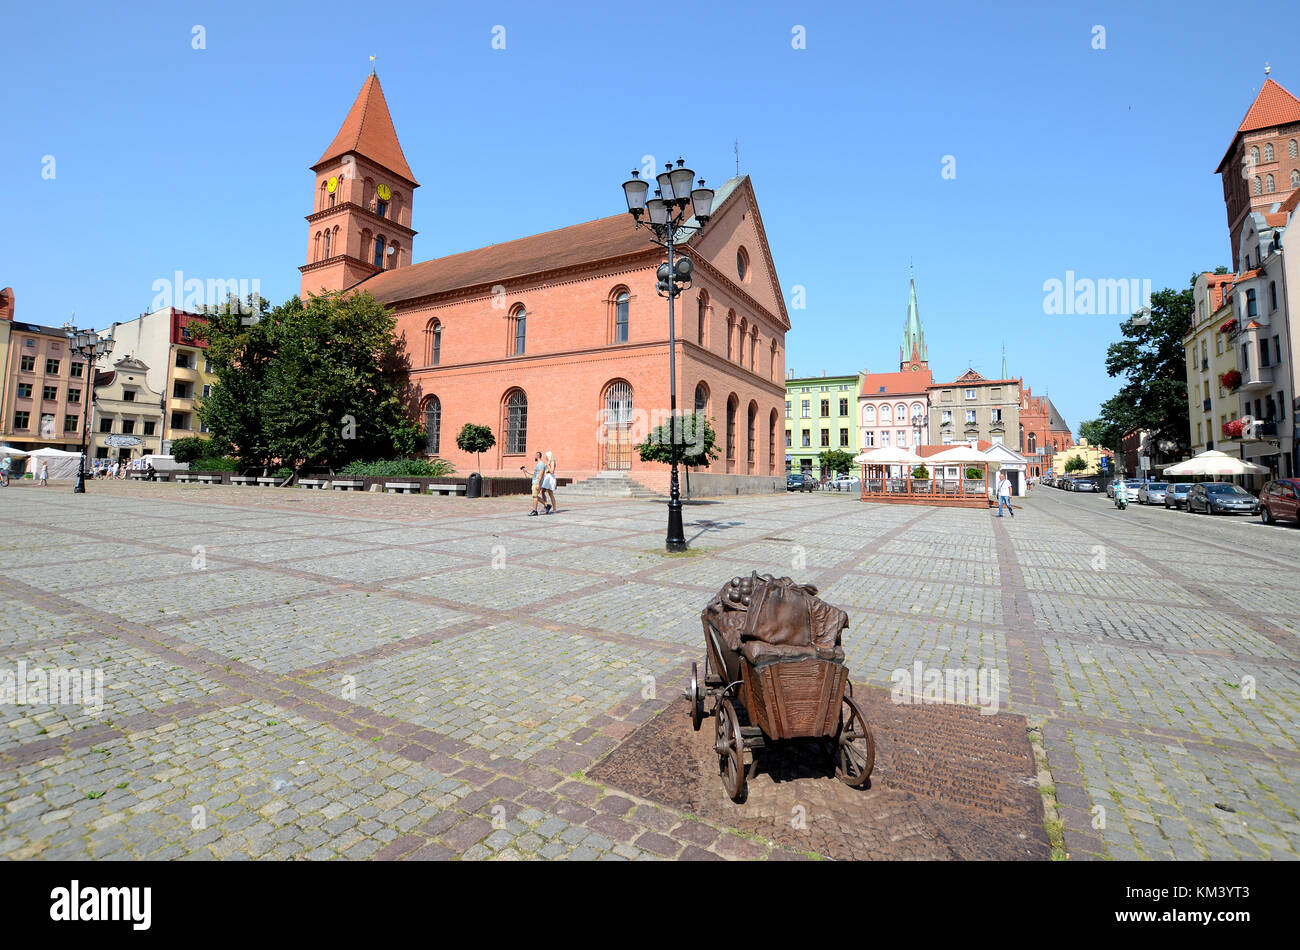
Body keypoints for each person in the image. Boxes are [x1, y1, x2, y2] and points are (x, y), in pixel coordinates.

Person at [527, 451, 547, 516]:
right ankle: (546, 505)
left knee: (535, 496)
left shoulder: (541, 464)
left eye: (535, 455)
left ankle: (534, 511)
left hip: (536, 482)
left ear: (537, 456)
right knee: (535, 496)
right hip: (535, 482)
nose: (534, 457)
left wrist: (538, 483)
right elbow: (535, 473)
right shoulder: (539, 464)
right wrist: (526, 471)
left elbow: (541, 474)